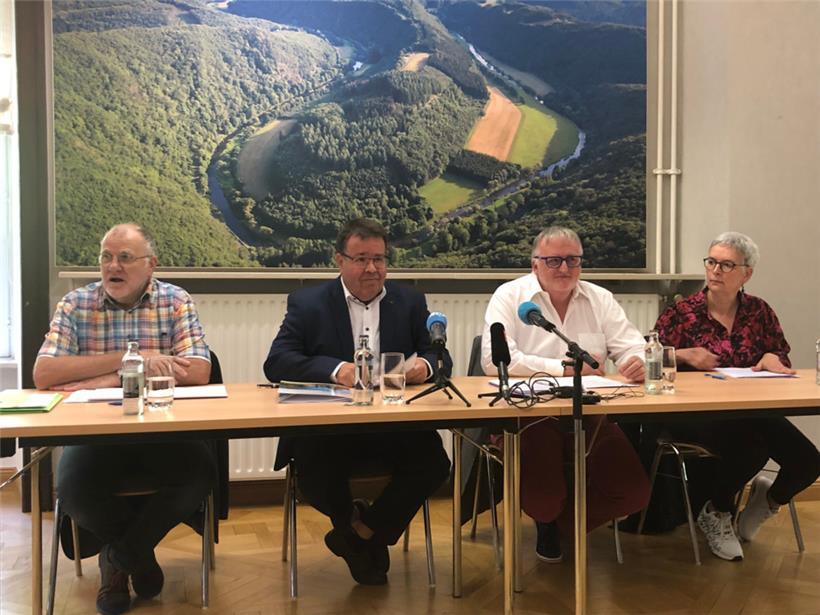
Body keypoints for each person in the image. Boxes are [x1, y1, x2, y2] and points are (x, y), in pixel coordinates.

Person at [33, 223, 216, 615]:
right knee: (74, 490)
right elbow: (44, 375)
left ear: (151, 265)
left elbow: (199, 369)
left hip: (162, 430)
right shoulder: (75, 304)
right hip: (96, 434)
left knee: (200, 474)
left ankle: (118, 560)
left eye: (125, 258)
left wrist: (91, 378)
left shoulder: (175, 300)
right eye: (106, 257)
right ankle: (140, 559)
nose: (112, 266)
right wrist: (128, 362)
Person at [263, 218, 451, 586]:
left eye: (379, 259)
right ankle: (363, 536)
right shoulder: (308, 303)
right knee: (318, 476)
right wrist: (337, 370)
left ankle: (360, 534)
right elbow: (276, 362)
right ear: (340, 260)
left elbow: (439, 354)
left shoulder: (410, 301)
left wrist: (424, 366)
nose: (372, 268)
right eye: (361, 258)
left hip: (392, 424)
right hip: (329, 427)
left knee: (433, 463)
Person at [481, 226, 650, 563]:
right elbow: (494, 360)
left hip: (591, 415)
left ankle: (557, 526)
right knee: (543, 498)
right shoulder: (510, 297)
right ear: (534, 265)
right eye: (553, 260)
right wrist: (564, 368)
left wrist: (638, 362)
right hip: (530, 415)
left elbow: (634, 346)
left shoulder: (599, 298)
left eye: (572, 260)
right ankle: (549, 516)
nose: (564, 269)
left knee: (633, 493)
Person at [654, 231, 820, 561]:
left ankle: (767, 500)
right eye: (712, 262)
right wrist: (684, 355)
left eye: (727, 264)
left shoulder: (759, 312)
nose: (715, 270)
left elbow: (778, 353)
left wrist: (774, 360)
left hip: (752, 409)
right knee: (751, 447)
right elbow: (651, 359)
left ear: (747, 273)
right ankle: (717, 511)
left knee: (808, 461)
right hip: (695, 414)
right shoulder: (682, 313)